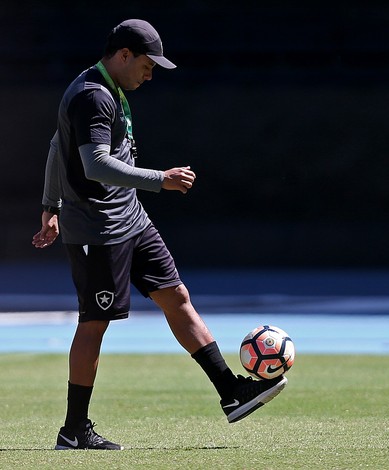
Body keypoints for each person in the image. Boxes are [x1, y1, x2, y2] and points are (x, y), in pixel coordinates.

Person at [32, 19, 287, 451]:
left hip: (130, 218)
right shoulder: (93, 96)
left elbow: (59, 146)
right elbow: (93, 164)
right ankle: (74, 429)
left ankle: (231, 392)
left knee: (176, 296)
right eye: (148, 65)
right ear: (124, 55)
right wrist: (159, 179)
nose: (150, 75)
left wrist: (49, 204)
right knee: (94, 324)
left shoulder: (108, 89)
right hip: (99, 229)